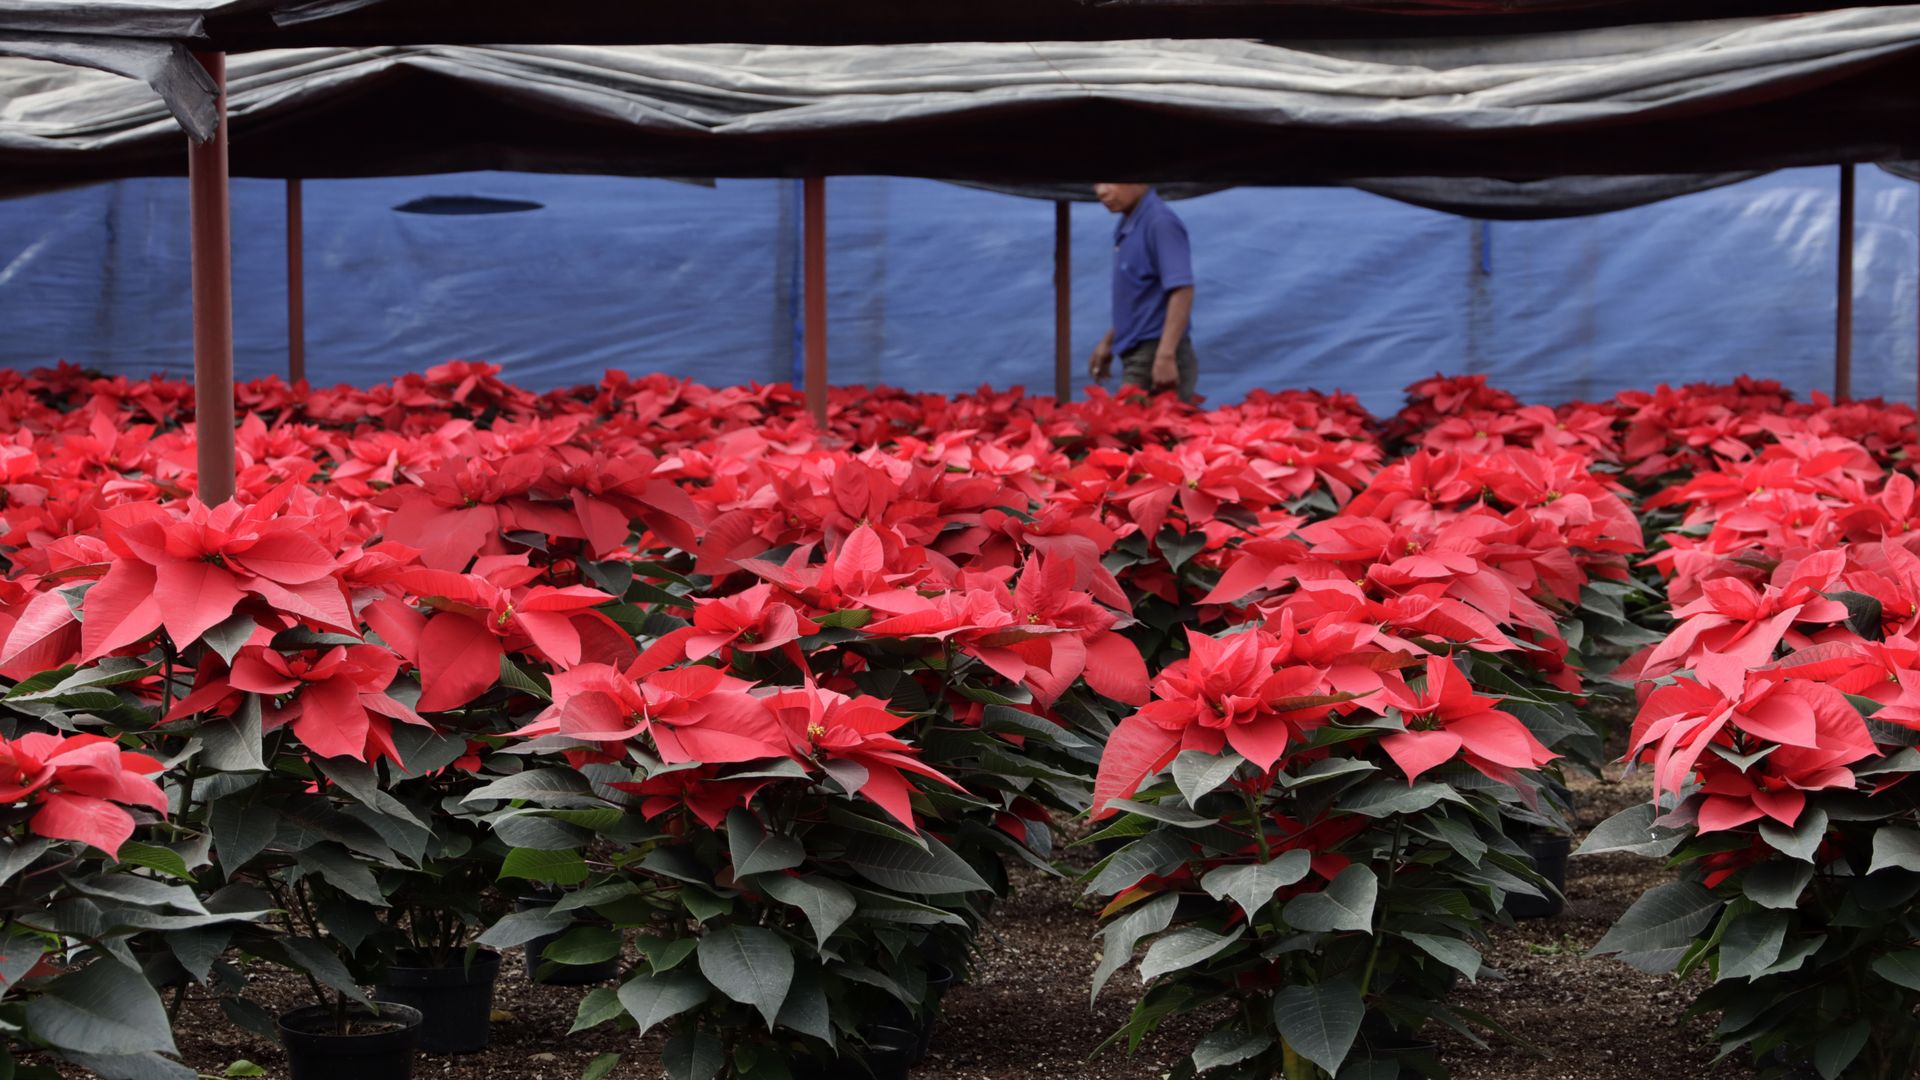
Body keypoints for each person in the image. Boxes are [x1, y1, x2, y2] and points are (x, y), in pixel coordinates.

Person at [1087, 183, 1198, 402]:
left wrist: (1165, 356)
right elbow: (1141, 298)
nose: (1101, 191)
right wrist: (1110, 341)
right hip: (1138, 351)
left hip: (1155, 352)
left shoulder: (1160, 222)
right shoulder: (1128, 223)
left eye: (1111, 180)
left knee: (1139, 431)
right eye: (1096, 182)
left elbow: (1182, 289)